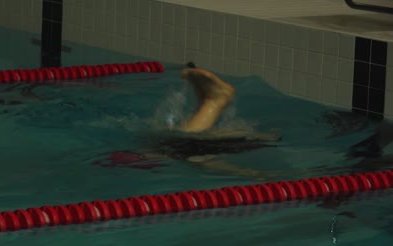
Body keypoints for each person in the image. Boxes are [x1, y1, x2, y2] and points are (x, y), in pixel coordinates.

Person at [94, 62, 282, 178]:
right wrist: (258, 175)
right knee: (184, 138)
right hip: (251, 140)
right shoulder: (180, 152)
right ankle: (210, 101)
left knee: (180, 139)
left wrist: (258, 175)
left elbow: (223, 167)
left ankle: (212, 101)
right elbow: (226, 167)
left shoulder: (181, 154)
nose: (145, 153)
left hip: (249, 140)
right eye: (142, 156)